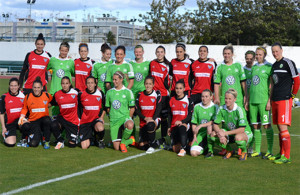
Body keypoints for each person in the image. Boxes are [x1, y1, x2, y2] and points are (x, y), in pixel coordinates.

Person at [269, 42, 299, 164]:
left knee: (283, 127)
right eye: (273, 51)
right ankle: (281, 153)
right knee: (279, 127)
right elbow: (273, 83)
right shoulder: (274, 65)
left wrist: (292, 96)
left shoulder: (288, 63)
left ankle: (286, 156)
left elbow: (297, 80)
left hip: (284, 99)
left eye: (277, 51)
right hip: (275, 99)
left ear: (281, 50)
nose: (275, 53)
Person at [210, 89, 253, 161]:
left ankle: (244, 151)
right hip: (230, 133)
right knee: (213, 135)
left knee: (238, 138)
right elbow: (215, 124)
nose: (227, 100)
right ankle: (229, 150)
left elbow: (242, 129)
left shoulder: (240, 110)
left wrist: (225, 133)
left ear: (235, 99)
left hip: (244, 132)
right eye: (226, 98)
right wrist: (220, 134)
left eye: (230, 99)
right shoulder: (221, 108)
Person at [246, 47, 274, 159]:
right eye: (256, 54)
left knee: (267, 125)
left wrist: (269, 101)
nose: (258, 56)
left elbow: (272, 85)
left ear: (264, 55)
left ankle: (269, 150)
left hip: (263, 101)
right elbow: (250, 86)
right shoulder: (253, 68)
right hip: (253, 101)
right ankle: (257, 150)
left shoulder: (269, 67)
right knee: (255, 126)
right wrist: (247, 100)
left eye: (260, 54)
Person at [105, 71, 135, 153]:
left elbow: (132, 108)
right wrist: (111, 116)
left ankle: (123, 142)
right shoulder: (109, 92)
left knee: (130, 124)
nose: (114, 81)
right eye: (113, 79)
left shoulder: (128, 92)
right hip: (114, 121)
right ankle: (130, 141)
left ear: (121, 79)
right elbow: (108, 107)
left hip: (124, 118)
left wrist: (129, 118)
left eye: (116, 79)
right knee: (116, 148)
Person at [18, 77, 53, 149]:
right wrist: (22, 118)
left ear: (42, 88)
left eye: (38, 87)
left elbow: (54, 102)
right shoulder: (28, 97)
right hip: (33, 122)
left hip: (44, 121)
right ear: (32, 87)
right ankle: (35, 136)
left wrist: (47, 106)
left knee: (47, 120)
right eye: (35, 87)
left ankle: (46, 141)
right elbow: (24, 108)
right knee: (33, 144)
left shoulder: (47, 95)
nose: (36, 89)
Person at [149, 45, 170, 146]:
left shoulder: (168, 65)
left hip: (164, 95)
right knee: (153, 116)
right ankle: (149, 137)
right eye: (158, 52)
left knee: (164, 118)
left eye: (161, 52)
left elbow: (168, 83)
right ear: (155, 53)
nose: (159, 54)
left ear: (164, 53)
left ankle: (163, 138)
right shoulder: (152, 63)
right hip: (153, 96)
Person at [50, 76, 79, 149]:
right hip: (62, 118)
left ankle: (76, 136)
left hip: (73, 121)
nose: (65, 85)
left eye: (66, 83)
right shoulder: (57, 94)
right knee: (53, 124)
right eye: (63, 83)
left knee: (72, 145)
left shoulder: (76, 93)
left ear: (70, 84)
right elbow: (51, 103)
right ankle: (60, 140)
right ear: (61, 84)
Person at [135, 76, 162, 153]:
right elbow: (137, 110)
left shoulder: (157, 93)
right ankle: (159, 141)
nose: (148, 86)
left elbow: (159, 108)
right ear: (144, 84)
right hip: (144, 121)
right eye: (146, 84)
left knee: (150, 125)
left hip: (154, 119)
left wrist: (152, 119)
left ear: (153, 85)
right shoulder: (140, 95)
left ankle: (152, 145)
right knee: (142, 146)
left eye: (150, 84)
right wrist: (145, 118)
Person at [47, 42, 75, 116]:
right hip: (55, 91)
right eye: (62, 50)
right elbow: (45, 69)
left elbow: (74, 73)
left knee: (66, 112)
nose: (64, 52)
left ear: (68, 51)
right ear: (59, 50)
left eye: (65, 51)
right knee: (55, 114)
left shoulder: (71, 62)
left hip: (67, 91)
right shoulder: (53, 60)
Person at [79, 76, 106, 149]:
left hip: (95, 120)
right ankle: (92, 138)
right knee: (84, 147)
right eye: (88, 83)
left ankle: (100, 140)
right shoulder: (81, 94)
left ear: (95, 84)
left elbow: (106, 106)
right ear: (86, 84)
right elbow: (78, 108)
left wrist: (102, 117)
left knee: (100, 128)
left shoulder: (100, 93)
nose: (90, 85)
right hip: (85, 121)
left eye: (92, 83)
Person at [167, 80, 193, 157]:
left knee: (182, 127)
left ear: (184, 89)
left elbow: (190, 116)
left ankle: (183, 148)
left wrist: (182, 121)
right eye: (177, 88)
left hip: (185, 125)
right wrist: (169, 127)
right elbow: (169, 115)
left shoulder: (188, 100)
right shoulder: (171, 99)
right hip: (174, 126)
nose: (178, 90)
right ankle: (186, 144)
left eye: (180, 88)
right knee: (175, 149)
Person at [190, 89, 218, 157]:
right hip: (200, 134)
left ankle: (210, 149)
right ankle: (205, 148)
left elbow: (214, 122)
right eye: (202, 96)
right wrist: (194, 136)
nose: (204, 98)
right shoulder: (197, 107)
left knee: (209, 127)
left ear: (211, 97)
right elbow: (194, 123)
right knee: (193, 153)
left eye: (206, 96)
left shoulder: (215, 107)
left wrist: (201, 125)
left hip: (211, 132)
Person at [0, 78, 25, 147]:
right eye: (11, 85)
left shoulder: (24, 95)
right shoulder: (4, 97)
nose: (13, 88)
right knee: (10, 143)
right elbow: (1, 114)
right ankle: (8, 135)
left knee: (27, 125)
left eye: (15, 85)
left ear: (19, 86)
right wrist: (3, 127)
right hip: (10, 123)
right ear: (9, 86)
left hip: (21, 121)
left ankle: (25, 137)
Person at [243, 50, 256, 155]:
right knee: (244, 122)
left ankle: (251, 146)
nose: (249, 60)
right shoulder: (242, 70)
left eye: (251, 58)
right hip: (244, 100)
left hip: (255, 100)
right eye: (247, 58)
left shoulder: (257, 69)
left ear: (254, 58)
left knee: (253, 123)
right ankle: (242, 145)